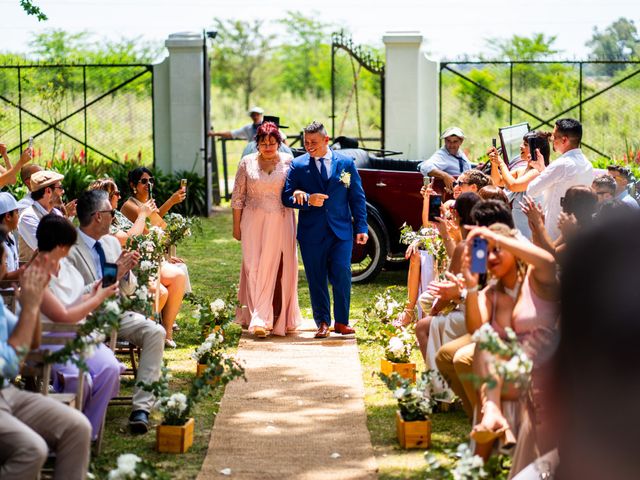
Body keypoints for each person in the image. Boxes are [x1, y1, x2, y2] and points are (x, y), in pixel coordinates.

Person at [66, 190, 166, 434]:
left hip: (117, 313)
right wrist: (114, 273)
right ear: (98, 216)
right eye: (111, 213)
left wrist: (127, 269)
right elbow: (76, 295)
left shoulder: (110, 242)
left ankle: (141, 408)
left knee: (155, 331)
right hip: (85, 319)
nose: (114, 216)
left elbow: (128, 288)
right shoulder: (69, 249)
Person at [460, 224, 558, 466]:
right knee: (484, 341)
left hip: (549, 365)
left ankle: (487, 437)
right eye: (486, 251)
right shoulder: (490, 294)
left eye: (498, 249)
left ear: (514, 249)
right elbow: (475, 328)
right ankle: (491, 414)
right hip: (512, 373)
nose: (491, 256)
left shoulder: (536, 279)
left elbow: (548, 261)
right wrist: (471, 287)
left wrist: (494, 237)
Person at [0, 237, 92, 480]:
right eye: (2, 261)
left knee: (78, 426)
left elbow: (32, 344)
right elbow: (10, 365)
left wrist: (33, 299)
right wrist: (30, 308)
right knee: (32, 449)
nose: (6, 267)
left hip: (7, 393)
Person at [36, 214, 122, 441]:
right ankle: (66, 436)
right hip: (52, 342)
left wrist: (93, 292)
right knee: (81, 379)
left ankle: (88, 434)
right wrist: (99, 298)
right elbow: (62, 315)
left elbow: (74, 300)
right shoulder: (35, 275)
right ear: (60, 245)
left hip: (78, 336)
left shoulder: (64, 267)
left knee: (110, 368)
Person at [282, 121, 368, 338]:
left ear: (326, 140)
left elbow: (356, 197)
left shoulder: (346, 163)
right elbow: (286, 196)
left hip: (341, 231)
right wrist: (308, 200)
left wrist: (362, 226)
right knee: (316, 277)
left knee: (342, 272)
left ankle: (341, 322)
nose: (309, 146)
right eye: (306, 142)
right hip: (311, 233)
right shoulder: (298, 165)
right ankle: (322, 322)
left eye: (314, 142)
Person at [231, 121, 302, 338]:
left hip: (281, 220)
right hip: (252, 220)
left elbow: (297, 186)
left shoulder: (290, 162)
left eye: (272, 142)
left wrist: (299, 191)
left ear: (279, 143)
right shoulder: (246, 163)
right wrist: (236, 226)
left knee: (277, 267)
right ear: (257, 143)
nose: (268, 147)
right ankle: (256, 314)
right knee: (253, 267)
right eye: (263, 143)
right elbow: (237, 197)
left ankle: (263, 320)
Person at [119, 170, 188, 345]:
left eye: (151, 180)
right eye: (143, 181)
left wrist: (168, 204)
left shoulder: (145, 205)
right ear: (133, 186)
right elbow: (153, 228)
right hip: (139, 259)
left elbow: (159, 225)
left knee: (180, 270)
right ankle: (161, 327)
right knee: (178, 271)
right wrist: (170, 202)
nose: (148, 184)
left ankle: (168, 329)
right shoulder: (130, 206)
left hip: (151, 254)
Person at [526, 118, 594, 240]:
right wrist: (544, 169)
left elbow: (532, 190)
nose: (551, 139)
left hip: (553, 232)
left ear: (564, 140)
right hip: (576, 231)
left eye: (554, 136)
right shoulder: (588, 164)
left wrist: (541, 172)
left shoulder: (561, 164)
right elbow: (561, 182)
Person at [489, 130, 551, 239]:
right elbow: (497, 181)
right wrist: (494, 164)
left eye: (525, 144)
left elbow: (513, 185)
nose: (521, 146)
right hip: (518, 229)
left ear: (536, 150)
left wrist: (502, 164)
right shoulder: (521, 170)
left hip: (529, 232)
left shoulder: (536, 173)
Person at [17, 170, 65, 262]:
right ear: (48, 191)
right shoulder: (28, 217)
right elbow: (47, 251)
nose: (63, 191)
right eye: (60, 187)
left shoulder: (56, 213)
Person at [418, 126, 472, 193]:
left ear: (461, 142)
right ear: (445, 141)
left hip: (464, 191)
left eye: (455, 141)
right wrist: (445, 176)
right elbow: (425, 167)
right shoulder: (441, 155)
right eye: (448, 141)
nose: (451, 145)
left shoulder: (459, 153)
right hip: (449, 194)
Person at [0, 192, 21, 281]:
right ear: (8, 216)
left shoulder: (10, 236)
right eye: (17, 212)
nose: (18, 216)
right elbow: (3, 277)